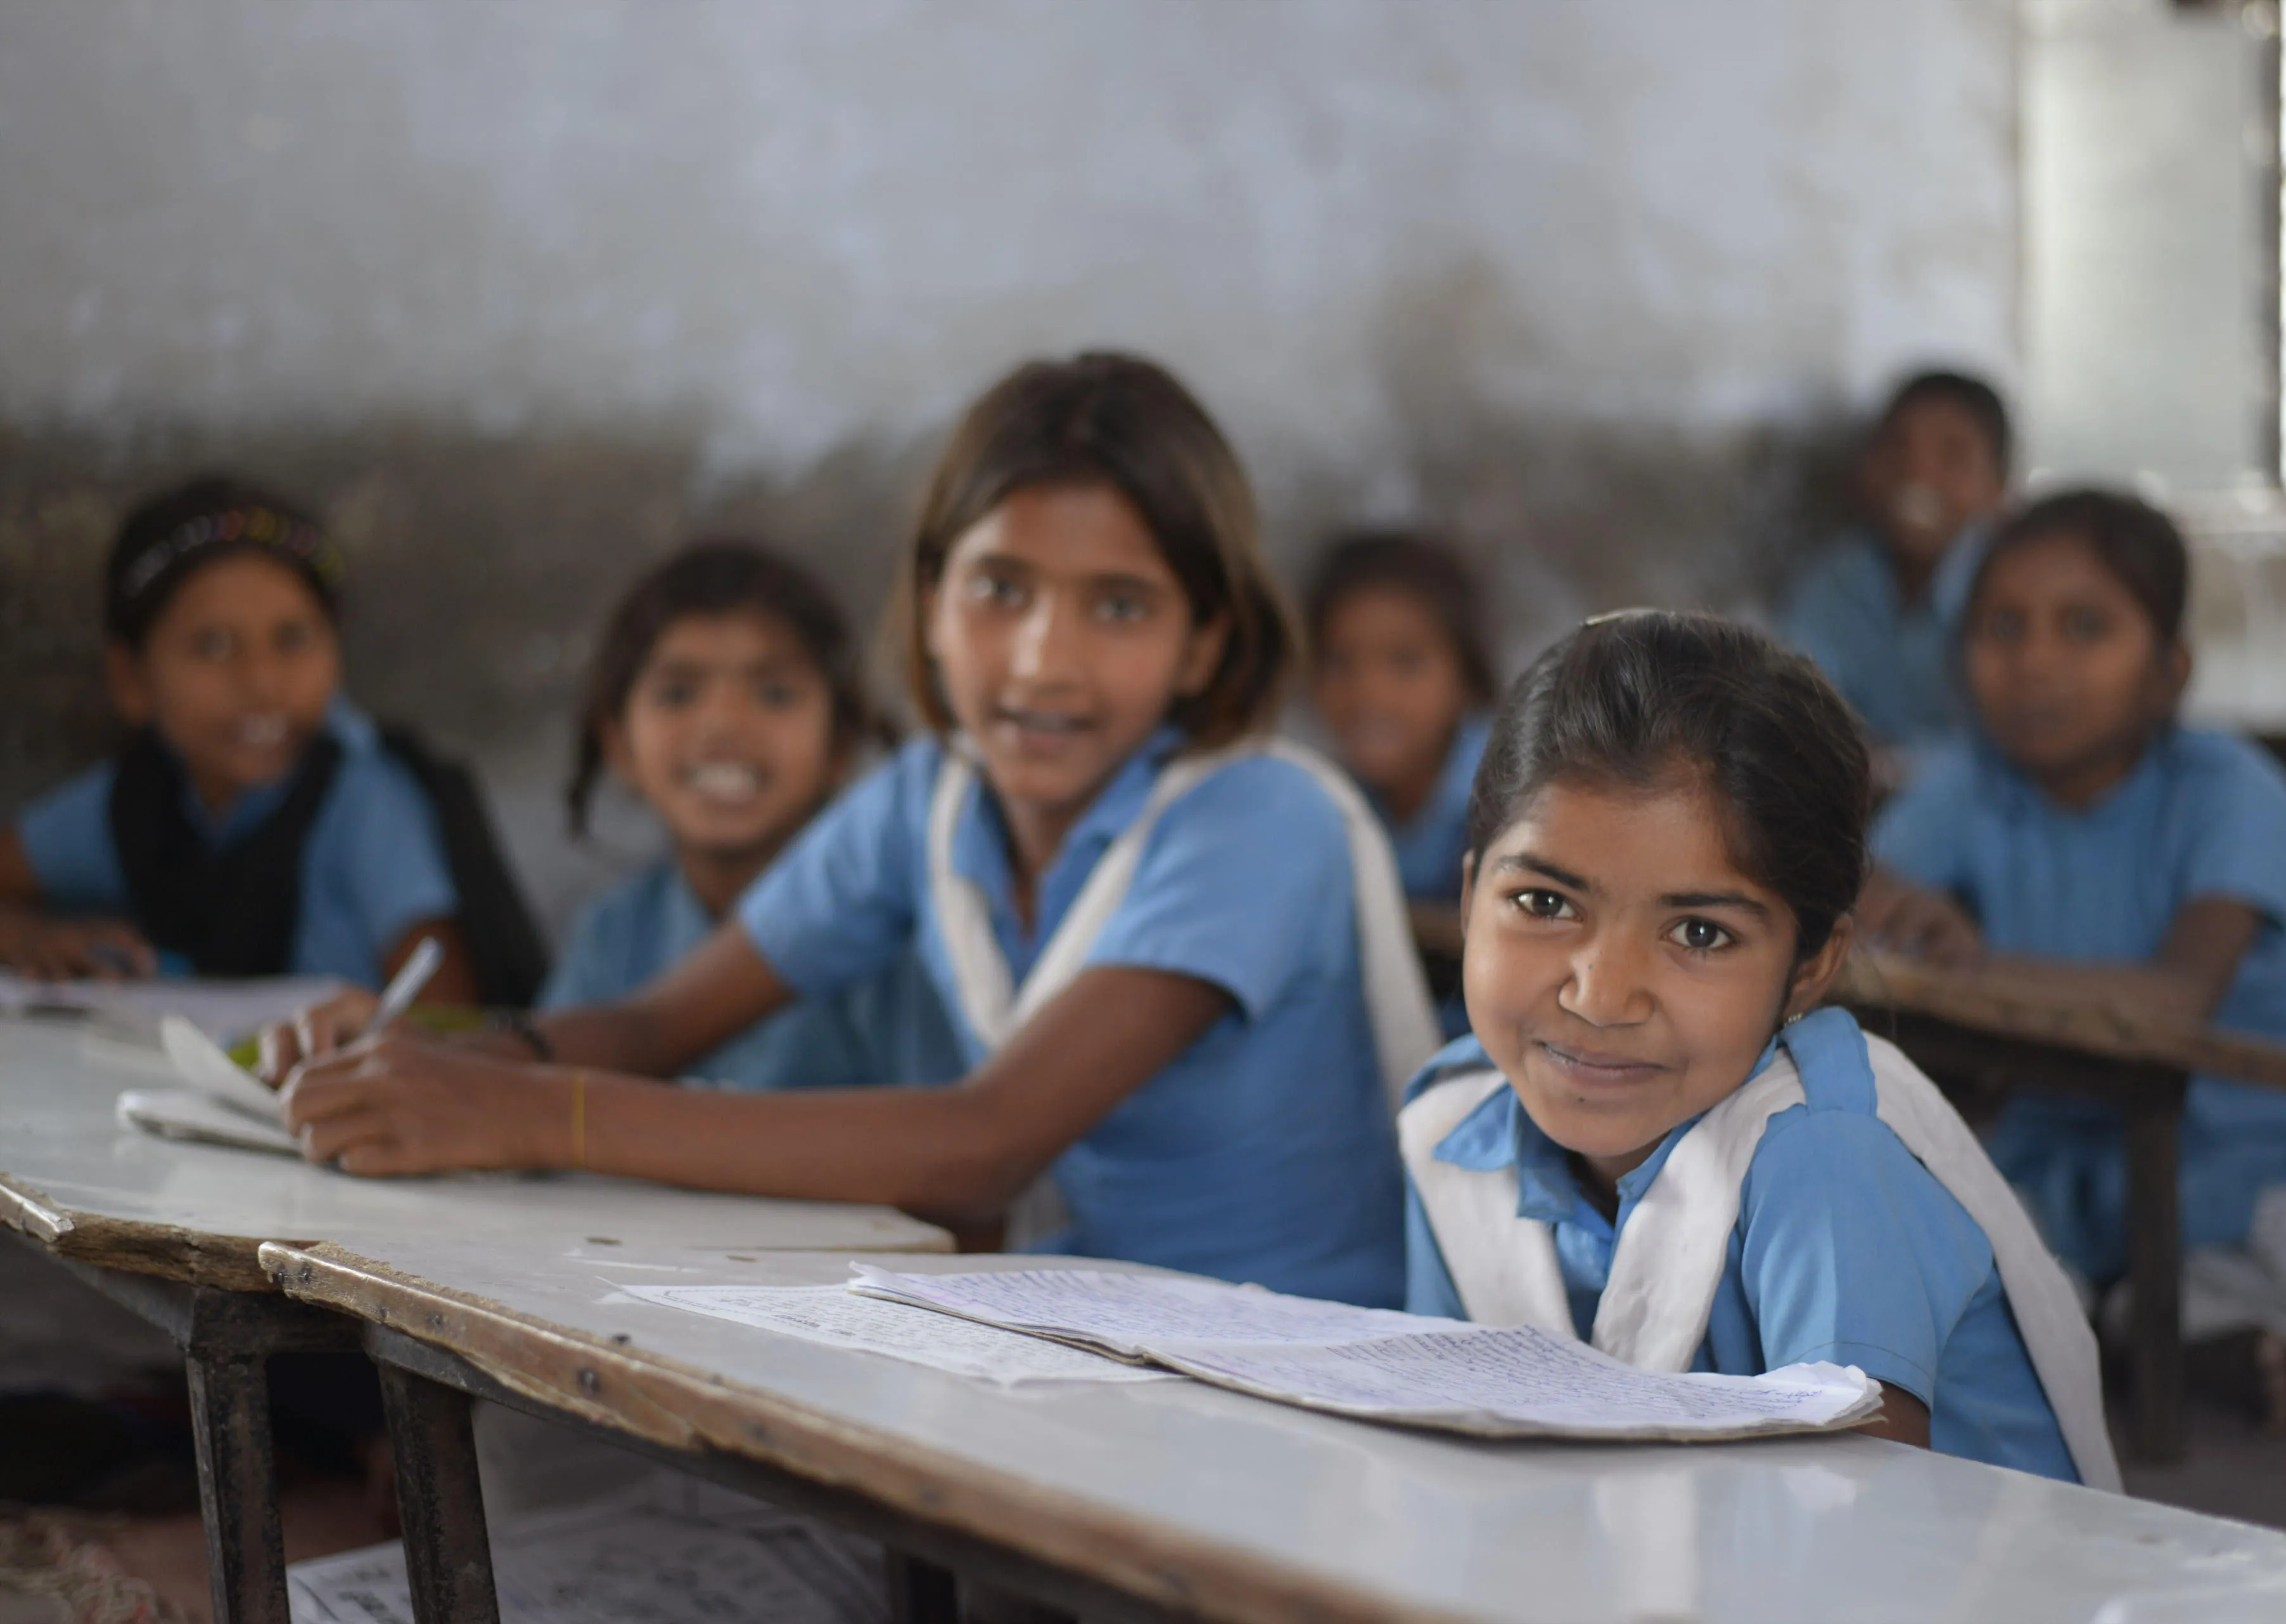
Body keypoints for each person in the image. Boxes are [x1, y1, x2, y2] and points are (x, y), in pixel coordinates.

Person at [266, 352, 1439, 1308]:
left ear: (1205, 641)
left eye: (1119, 606)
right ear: (930, 601)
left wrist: (527, 1109)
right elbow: (655, 1020)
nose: (1044, 657)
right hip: (1077, 1353)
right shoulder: (930, 800)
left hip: (1283, 1380)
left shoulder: (1258, 818)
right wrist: (422, 1056)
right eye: (1000, 587)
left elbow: (987, 1140)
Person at [1401, 610, 2115, 1487]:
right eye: (1545, 904)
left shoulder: (1822, 1154)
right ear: (1471, 897)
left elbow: (1858, 1534)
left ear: (1812, 964)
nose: (1600, 993)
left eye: (1699, 931)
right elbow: (1453, 1455)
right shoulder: (1451, 1129)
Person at [1861, 490, 2286, 1286]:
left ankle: (2173, 1323)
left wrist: (1958, 966)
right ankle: (2171, 1329)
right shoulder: (1973, 783)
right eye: (2004, 627)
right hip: (2067, 1169)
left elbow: (2176, 1000)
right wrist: (1890, 905)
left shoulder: (2229, 789)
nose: (2035, 662)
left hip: (2258, 1167)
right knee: (1915, 1245)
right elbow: (1853, 889)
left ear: (2171, 671)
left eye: (2086, 627)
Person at [0, 476, 540, 1004]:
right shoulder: (138, 799)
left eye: (292, 639)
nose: (261, 682)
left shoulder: (364, 802)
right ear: (131, 680)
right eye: (212, 646)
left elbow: (447, 1018)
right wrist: (27, 939)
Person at [544, 539, 962, 1092]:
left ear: (841, 745)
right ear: (619, 745)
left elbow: (940, 1143)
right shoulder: (615, 932)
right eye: (678, 693)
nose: (723, 725)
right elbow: (540, 1091)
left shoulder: (894, 946)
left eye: (774, 693)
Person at [1306, 531, 1495, 1032]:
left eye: (1405, 662)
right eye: (1340, 662)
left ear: (1466, 675)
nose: (1370, 693)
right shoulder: (1328, 806)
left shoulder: (1522, 799)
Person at [1778, 370, 2012, 746]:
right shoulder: (1840, 577)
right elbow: (1796, 702)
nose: (1918, 474)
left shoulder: (2012, 591)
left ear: (1999, 489)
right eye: (1896, 447)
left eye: (1953, 455)